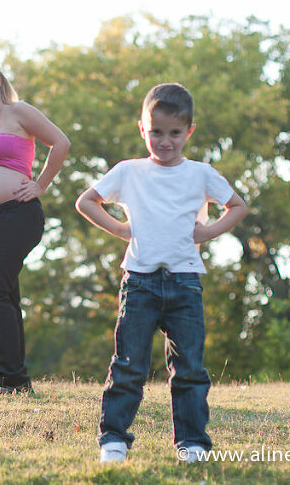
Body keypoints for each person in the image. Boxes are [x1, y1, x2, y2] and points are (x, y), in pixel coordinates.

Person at [75, 83, 248, 463]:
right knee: (129, 365)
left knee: (189, 369)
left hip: (185, 282)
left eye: (174, 133)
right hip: (139, 282)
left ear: (189, 131)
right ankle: (113, 440)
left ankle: (193, 443)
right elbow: (86, 201)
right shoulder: (129, 171)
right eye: (156, 132)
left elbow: (237, 206)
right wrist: (120, 229)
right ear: (143, 128)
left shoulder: (201, 174)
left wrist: (209, 232)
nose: (165, 141)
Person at [0, 56, 70, 394]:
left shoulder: (19, 111)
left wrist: (40, 185)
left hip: (17, 214)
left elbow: (61, 143)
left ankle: (10, 379)